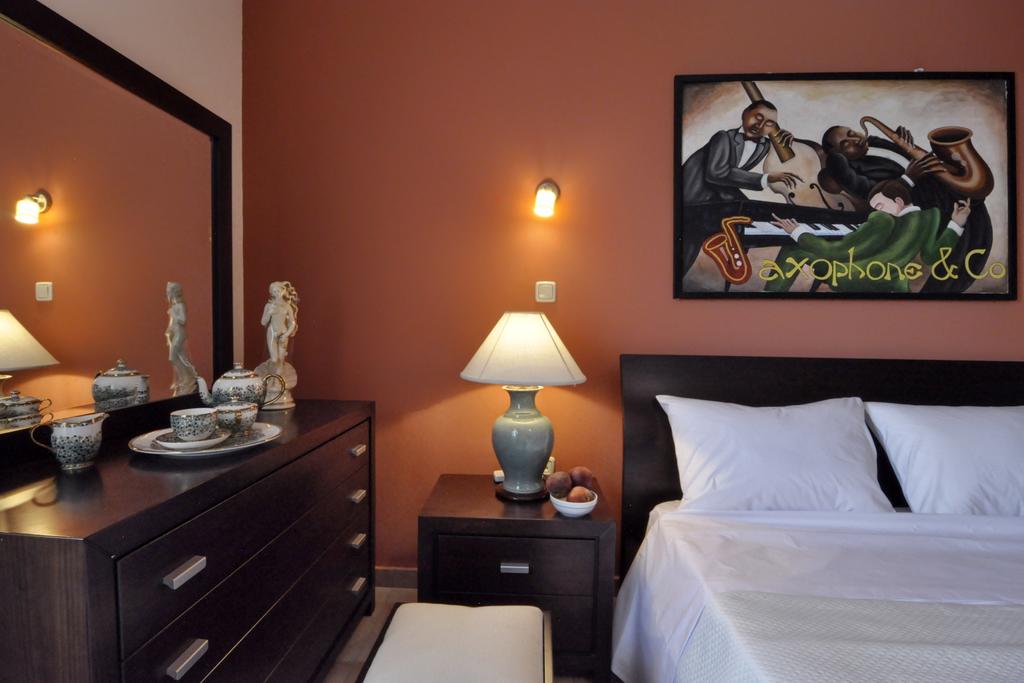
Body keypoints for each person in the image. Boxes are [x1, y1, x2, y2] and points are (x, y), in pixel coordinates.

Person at [817, 124, 992, 294]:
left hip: (941, 190)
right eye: (845, 144)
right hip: (921, 206)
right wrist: (908, 178)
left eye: (851, 133)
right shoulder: (840, 164)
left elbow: (908, 159)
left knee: (975, 224)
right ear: (837, 154)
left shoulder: (874, 141)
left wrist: (904, 144)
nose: (855, 139)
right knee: (955, 255)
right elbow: (870, 192)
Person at [764, 179, 971, 293]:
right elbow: (931, 257)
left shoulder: (883, 220)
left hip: (852, 278)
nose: (877, 211)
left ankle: (770, 296)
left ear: (898, 202)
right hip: (890, 279)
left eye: (879, 206)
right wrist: (956, 224)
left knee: (795, 249)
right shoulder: (929, 218)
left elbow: (836, 251)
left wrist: (797, 231)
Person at [680, 100, 802, 275]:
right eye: (757, 117)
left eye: (769, 123)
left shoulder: (764, 146)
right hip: (692, 197)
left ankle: (736, 263)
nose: (760, 125)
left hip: (717, 195)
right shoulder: (723, 137)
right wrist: (766, 178)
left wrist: (793, 141)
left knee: (747, 220)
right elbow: (717, 173)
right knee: (685, 252)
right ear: (745, 114)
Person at [165, 281, 198, 396]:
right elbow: (172, 323)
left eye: (169, 292)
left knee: (174, 357)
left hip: (180, 333)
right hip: (174, 334)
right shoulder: (174, 306)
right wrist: (168, 331)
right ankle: (185, 379)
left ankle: (187, 379)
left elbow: (183, 320)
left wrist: (173, 314)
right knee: (179, 357)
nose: (168, 294)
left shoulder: (180, 306)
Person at [261, 281, 299, 370]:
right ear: (271, 293)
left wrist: (286, 335)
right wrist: (269, 314)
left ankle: (278, 378)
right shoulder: (269, 306)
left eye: (278, 291)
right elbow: (263, 322)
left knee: (281, 361)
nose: (276, 293)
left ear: (283, 291)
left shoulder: (287, 306)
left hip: (283, 333)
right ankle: (269, 373)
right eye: (274, 291)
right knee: (274, 360)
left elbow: (293, 323)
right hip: (272, 332)